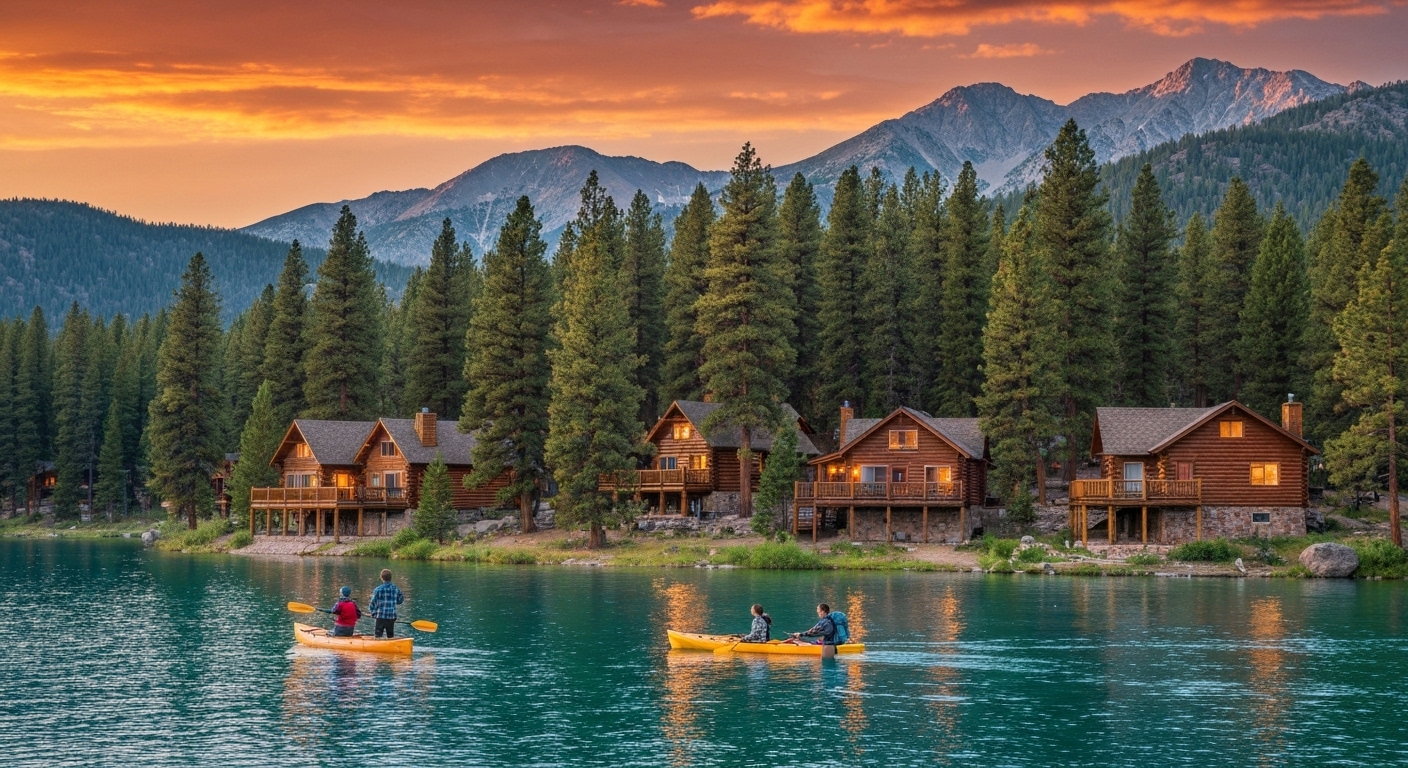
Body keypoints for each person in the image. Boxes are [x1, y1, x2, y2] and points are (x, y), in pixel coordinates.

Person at [369, 568, 405, 638]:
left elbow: (373, 603)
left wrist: (372, 612)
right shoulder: (395, 588)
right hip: (391, 616)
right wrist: (394, 601)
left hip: (380, 616)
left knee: (378, 636)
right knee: (390, 636)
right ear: (390, 578)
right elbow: (401, 599)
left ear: (382, 578)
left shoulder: (378, 589)